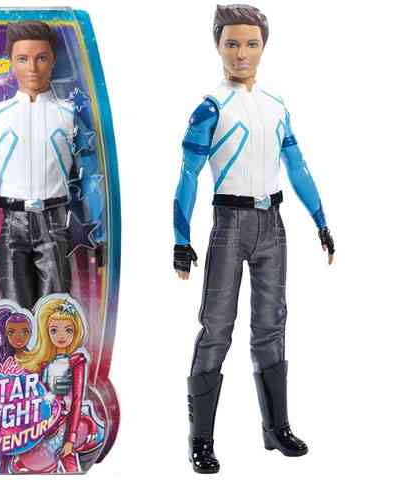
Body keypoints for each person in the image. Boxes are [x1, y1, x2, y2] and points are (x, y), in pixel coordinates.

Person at [173, 4, 335, 473]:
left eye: (250, 43)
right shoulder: (210, 107)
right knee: (216, 329)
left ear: (263, 47)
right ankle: (200, 440)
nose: (241, 53)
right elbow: (189, 173)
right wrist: (181, 238)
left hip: (272, 224)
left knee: (272, 324)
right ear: (218, 46)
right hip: (229, 223)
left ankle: (276, 427)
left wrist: (321, 220)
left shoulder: (276, 107)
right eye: (231, 43)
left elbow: (297, 166)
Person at [0, 21, 98, 309]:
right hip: (13, 224)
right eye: (23, 58)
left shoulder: (69, 117)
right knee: (15, 317)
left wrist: (100, 234)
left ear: (53, 60)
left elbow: (91, 178)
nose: (32, 68)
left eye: (41, 58)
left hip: (55, 224)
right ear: (11, 62)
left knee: (53, 315)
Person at [13, 295, 88, 473]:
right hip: (42, 420)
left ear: (75, 331)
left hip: (64, 423)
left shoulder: (76, 361)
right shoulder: (44, 363)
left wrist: (70, 439)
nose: (61, 336)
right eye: (54, 330)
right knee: (23, 461)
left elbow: (77, 400)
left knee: (67, 459)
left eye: (68, 330)